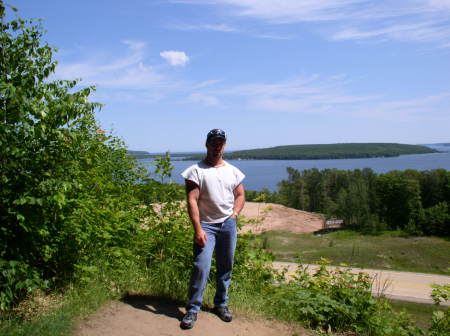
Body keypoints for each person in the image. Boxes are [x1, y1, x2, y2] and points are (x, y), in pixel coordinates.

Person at [180, 129, 245, 330]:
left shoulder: (233, 171)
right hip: (206, 226)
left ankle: (221, 304)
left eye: (220, 143)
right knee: (201, 266)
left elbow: (240, 195)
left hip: (227, 224)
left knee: (226, 266)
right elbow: (192, 200)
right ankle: (192, 310)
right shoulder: (196, 171)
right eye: (213, 143)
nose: (217, 147)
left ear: (224, 146)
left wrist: (234, 214)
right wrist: (198, 228)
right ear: (207, 145)